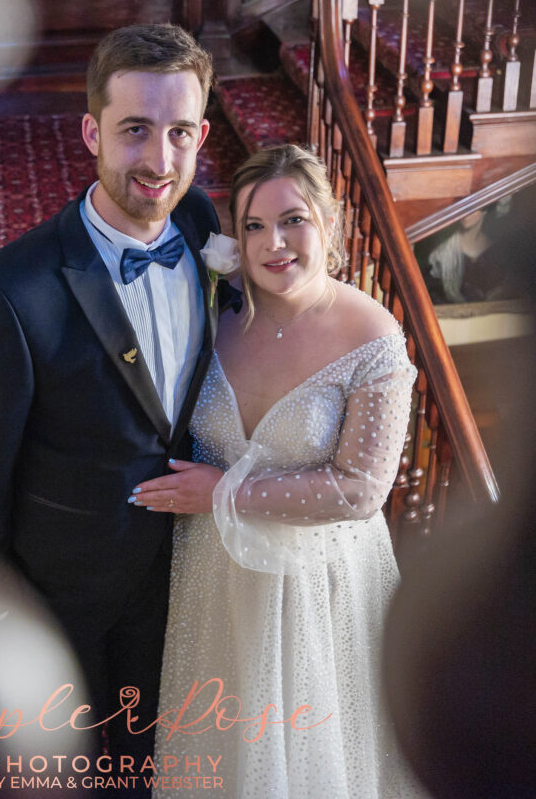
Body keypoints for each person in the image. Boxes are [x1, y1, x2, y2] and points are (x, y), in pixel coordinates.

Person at [0, 23, 221, 793]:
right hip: (69, 591)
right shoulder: (10, 289)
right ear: (92, 130)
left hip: (192, 574)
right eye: (135, 131)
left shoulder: (208, 230)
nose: (161, 162)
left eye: (179, 133)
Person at [132, 144, 427, 798]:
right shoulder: (217, 314)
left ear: (328, 220)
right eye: (255, 226)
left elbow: (361, 491)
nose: (276, 244)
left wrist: (224, 491)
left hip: (314, 586)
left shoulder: (372, 336)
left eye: (294, 219)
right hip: (213, 577)